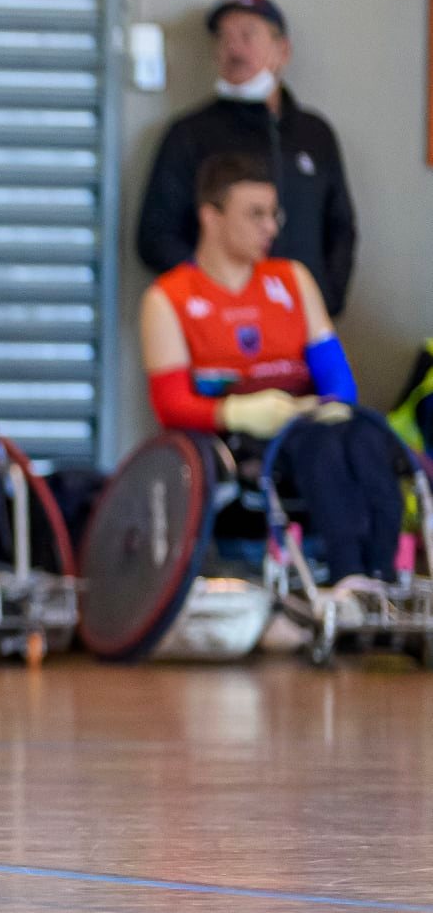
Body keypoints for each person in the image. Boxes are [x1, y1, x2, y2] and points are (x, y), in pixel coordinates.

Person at [140, 149, 396, 590]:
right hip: (242, 438)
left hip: (308, 418)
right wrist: (238, 412)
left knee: (369, 437)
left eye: (273, 214)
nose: (271, 228)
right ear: (211, 216)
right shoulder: (169, 298)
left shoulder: (292, 280)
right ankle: (348, 577)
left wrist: (327, 406)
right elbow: (170, 405)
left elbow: (338, 378)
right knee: (324, 448)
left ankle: (386, 577)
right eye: (255, 214)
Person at [137, 0, 357, 315]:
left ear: (283, 51)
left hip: (302, 323)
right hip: (220, 326)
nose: (234, 48)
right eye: (224, 39)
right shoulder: (190, 134)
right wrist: (215, 293)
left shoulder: (315, 134)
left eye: (247, 36)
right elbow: (156, 236)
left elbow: (340, 227)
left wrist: (327, 296)